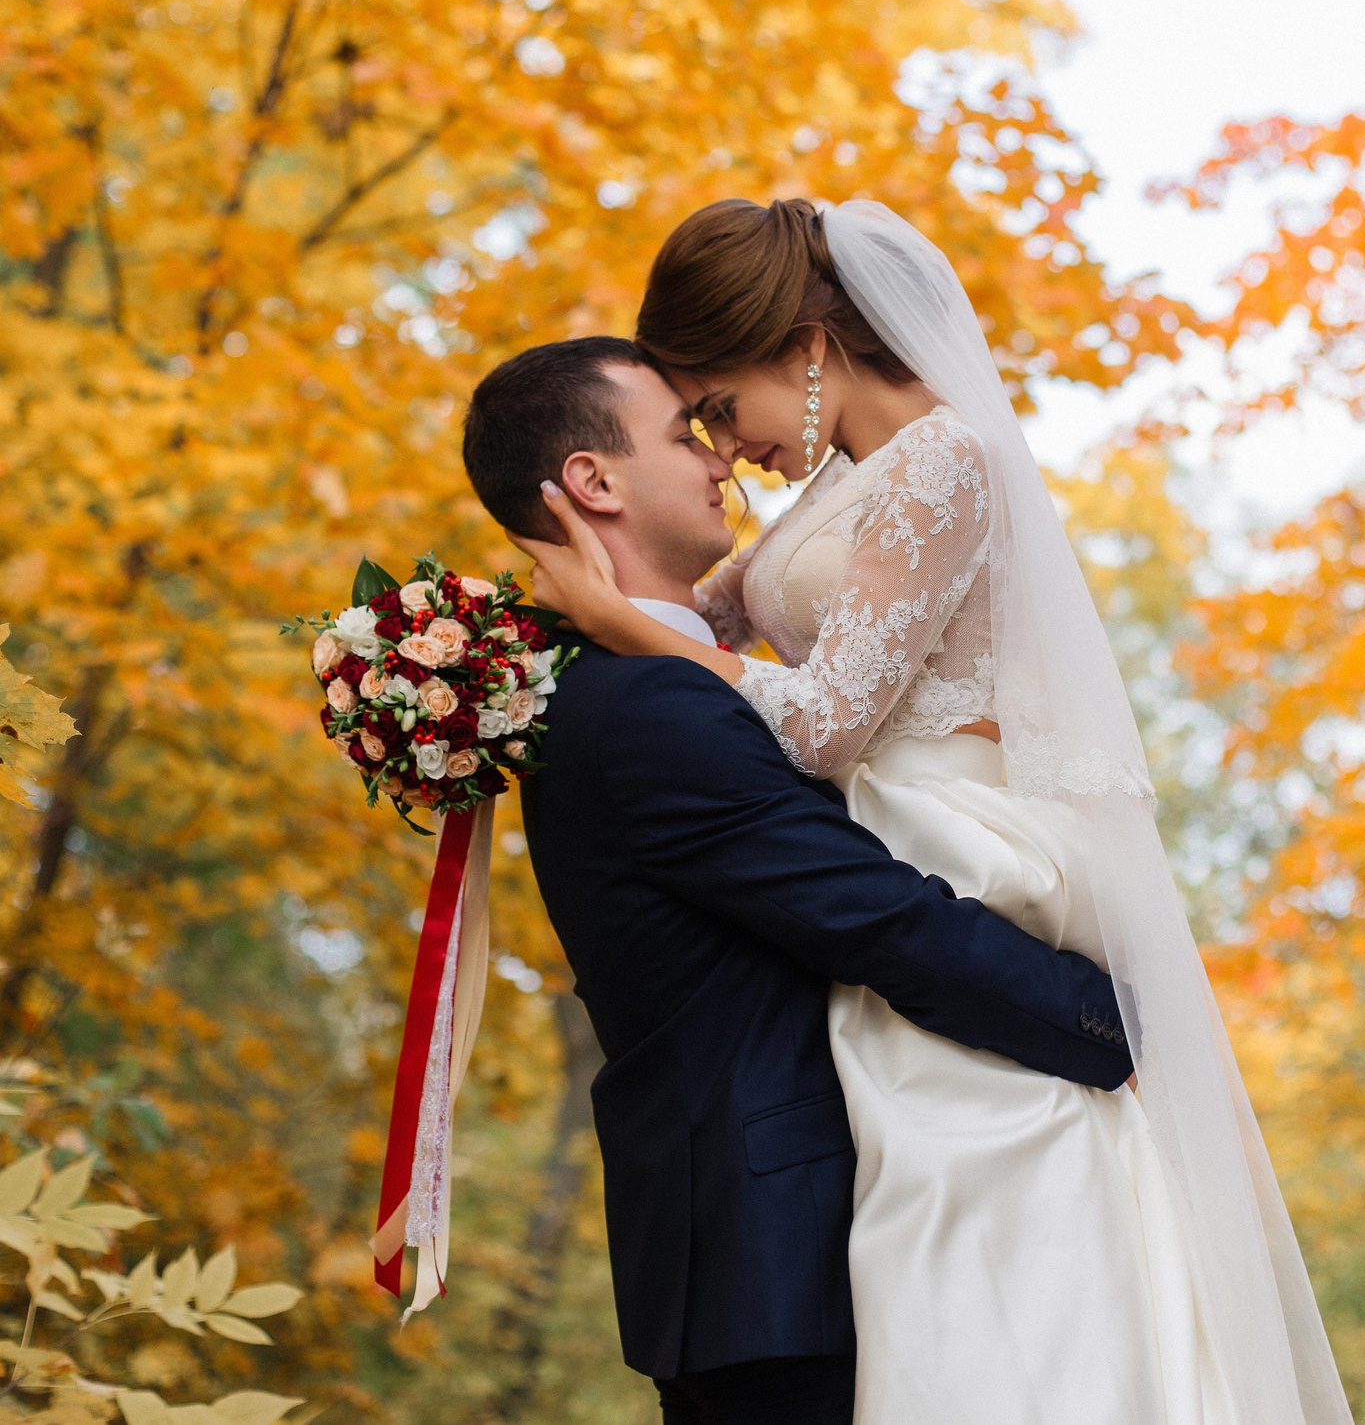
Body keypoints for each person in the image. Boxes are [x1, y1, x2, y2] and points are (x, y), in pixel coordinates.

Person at [515, 202, 1354, 1425]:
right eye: (696, 425)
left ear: (807, 347)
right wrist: (499, 645)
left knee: (978, 1159)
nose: (725, 449)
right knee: (921, 1173)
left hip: (951, 828)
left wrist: (620, 626)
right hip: (883, 822)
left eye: (720, 407)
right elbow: (714, 625)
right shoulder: (832, 487)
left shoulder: (945, 457)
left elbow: (819, 723)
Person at [459, 335, 1138, 1425]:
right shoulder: (645, 708)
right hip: (783, 1267)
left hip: (770, 1264)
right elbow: (875, 916)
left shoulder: (620, 685)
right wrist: (1111, 1023)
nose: (720, 457)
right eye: (684, 433)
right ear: (593, 482)